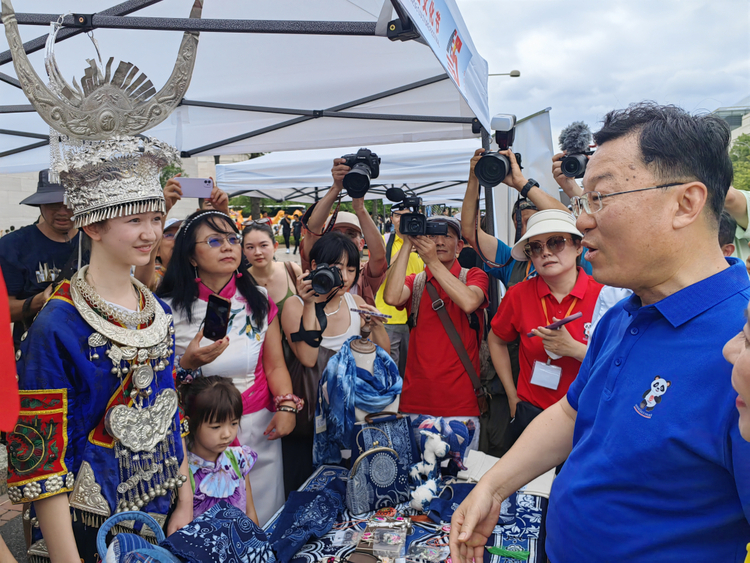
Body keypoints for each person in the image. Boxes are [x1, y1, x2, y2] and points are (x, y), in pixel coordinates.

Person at [449, 102, 750, 562]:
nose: (583, 221)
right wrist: (493, 485)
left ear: (685, 203)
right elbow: (572, 415)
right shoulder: (624, 314)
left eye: (601, 199)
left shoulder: (740, 346)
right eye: (582, 202)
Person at [6, 138, 193, 563]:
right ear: (92, 226)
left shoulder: (156, 310)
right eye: (134, 220)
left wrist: (185, 499)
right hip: (84, 524)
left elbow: (170, 412)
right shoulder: (57, 326)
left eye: (155, 218)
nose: (150, 233)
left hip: (163, 508)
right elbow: (41, 460)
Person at [158, 209, 297, 526]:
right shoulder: (165, 308)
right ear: (191, 256)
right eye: (214, 240)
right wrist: (187, 365)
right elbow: (155, 383)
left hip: (259, 429)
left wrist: (287, 405)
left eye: (233, 239)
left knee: (265, 520)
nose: (228, 246)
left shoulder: (259, 300)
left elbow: (274, 365)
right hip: (198, 438)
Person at [280, 232, 389, 493]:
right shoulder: (294, 305)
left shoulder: (357, 303)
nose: (346, 277)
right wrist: (310, 304)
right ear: (316, 266)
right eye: (338, 268)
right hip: (309, 422)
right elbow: (307, 358)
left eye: (352, 269)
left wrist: (372, 326)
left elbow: (383, 353)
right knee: (306, 490)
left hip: (351, 418)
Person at [489, 209, 603, 439]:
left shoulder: (606, 295)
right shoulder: (518, 295)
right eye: (537, 247)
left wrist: (575, 350)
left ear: (579, 246)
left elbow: (621, 363)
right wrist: (512, 395)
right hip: (532, 414)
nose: (546, 253)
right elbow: (496, 339)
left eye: (556, 243)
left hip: (588, 418)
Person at [383, 216, 488, 451]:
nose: (438, 242)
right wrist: (408, 244)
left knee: (460, 483)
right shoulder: (417, 281)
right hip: (415, 403)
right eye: (431, 235)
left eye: (446, 235)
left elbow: (470, 301)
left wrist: (432, 262)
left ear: (460, 246)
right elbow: (391, 297)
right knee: (418, 481)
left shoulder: (473, 276)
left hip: (461, 406)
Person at [461, 150, 586, 289]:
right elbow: (470, 232)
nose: (525, 229)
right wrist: (474, 178)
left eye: (531, 221)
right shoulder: (510, 260)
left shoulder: (572, 253)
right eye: (518, 224)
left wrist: (520, 183)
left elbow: (570, 223)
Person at [0, 170, 78, 346]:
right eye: (53, 204)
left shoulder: (95, 241)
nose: (63, 211)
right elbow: (4, 309)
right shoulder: (13, 246)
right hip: (36, 351)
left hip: (89, 351)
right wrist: (39, 301)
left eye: (69, 203)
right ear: (40, 204)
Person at [300, 159, 387, 307]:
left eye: (351, 234)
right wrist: (336, 187)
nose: (342, 238)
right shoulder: (315, 266)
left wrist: (359, 208)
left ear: (361, 244)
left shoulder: (363, 276)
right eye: (335, 233)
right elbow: (312, 231)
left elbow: (379, 256)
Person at [182, 375, 259, 524]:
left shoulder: (240, 458)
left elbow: (249, 512)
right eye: (216, 427)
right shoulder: (184, 469)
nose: (227, 434)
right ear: (190, 423)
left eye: (234, 423)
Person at [374, 205, 425, 376]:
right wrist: (404, 249)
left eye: (407, 216)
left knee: (413, 370)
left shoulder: (422, 242)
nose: (402, 220)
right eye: (398, 216)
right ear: (391, 219)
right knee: (389, 370)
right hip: (388, 317)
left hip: (415, 318)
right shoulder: (384, 240)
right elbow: (378, 273)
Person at [243, 221, 302, 327]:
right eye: (250, 247)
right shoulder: (241, 280)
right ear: (243, 251)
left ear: (275, 246)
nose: (257, 252)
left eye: (263, 245)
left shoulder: (292, 270)